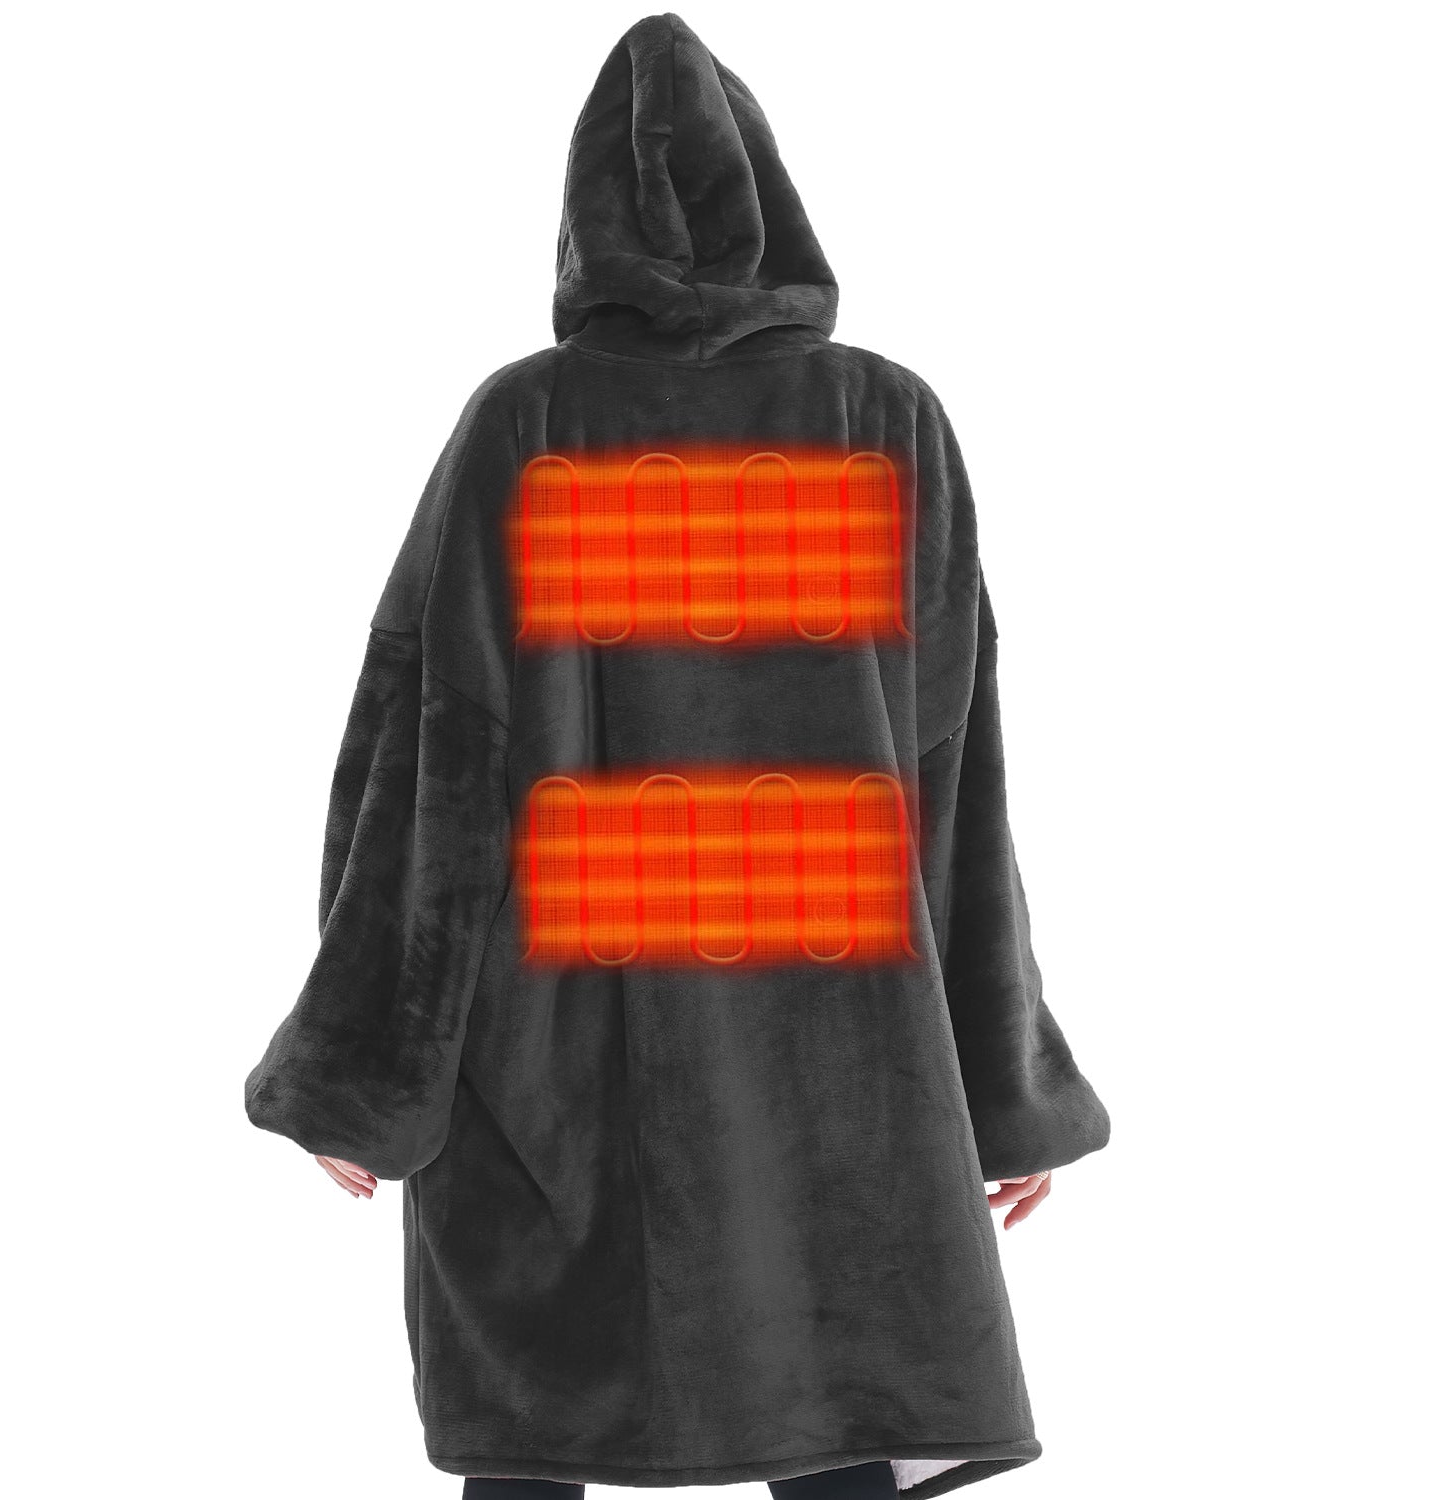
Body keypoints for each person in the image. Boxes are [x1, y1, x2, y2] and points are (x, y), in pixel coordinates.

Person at [244, 12, 1110, 1499]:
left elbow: (432, 768)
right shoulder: (886, 421)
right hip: (838, 1051)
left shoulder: (530, 421)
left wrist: (367, 1070)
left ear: (582, 218)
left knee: (536, 1436)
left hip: (563, 1051)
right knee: (840, 1418)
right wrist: (998, 1077)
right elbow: (953, 780)